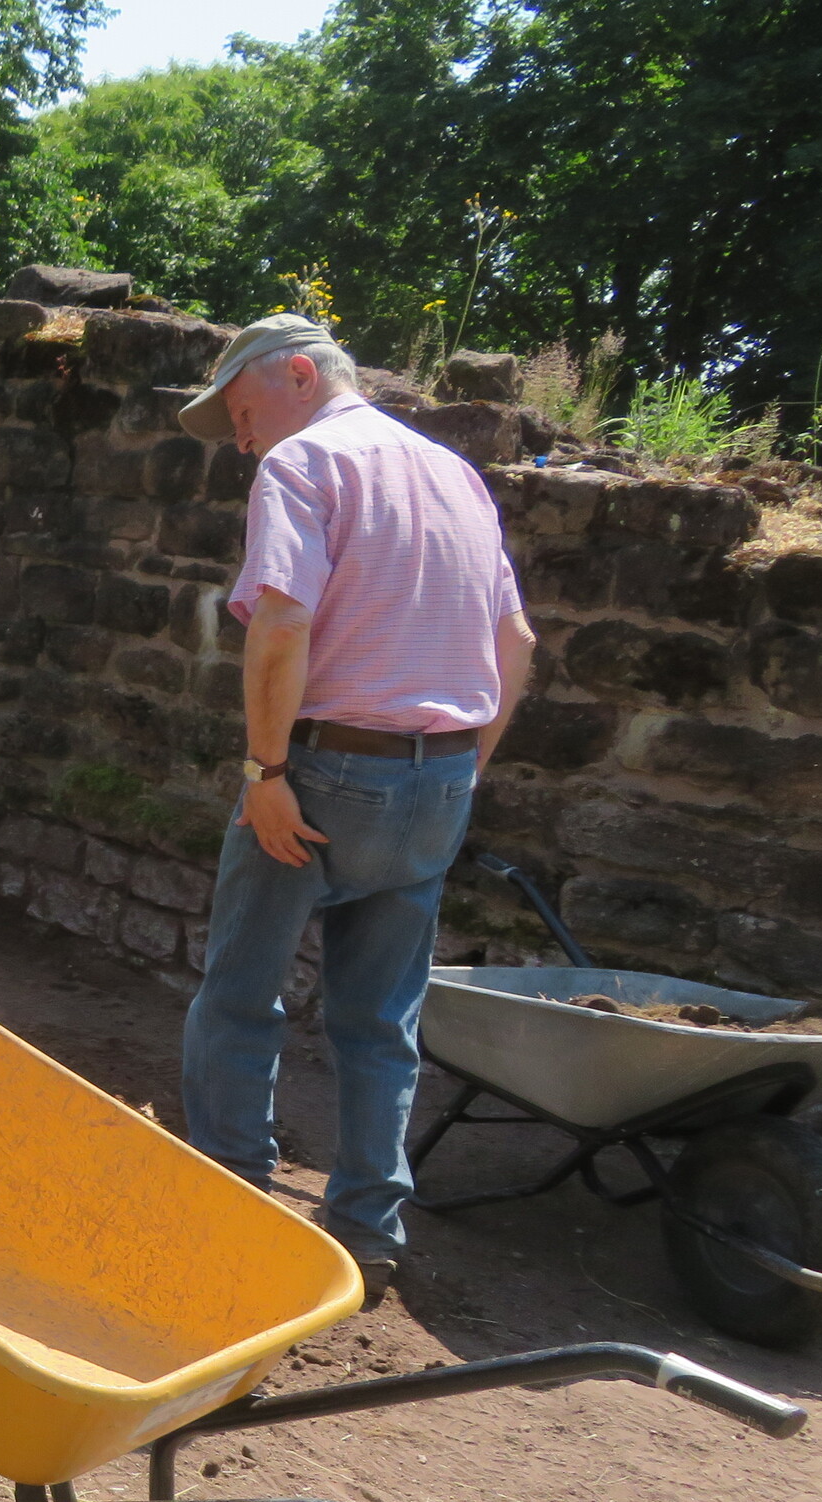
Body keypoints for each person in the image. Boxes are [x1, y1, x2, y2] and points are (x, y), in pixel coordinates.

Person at [173, 314, 536, 1292]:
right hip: (439, 778)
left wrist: (266, 774)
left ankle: (230, 1207)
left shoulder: (303, 464)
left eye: (240, 411)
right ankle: (370, 1234)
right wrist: (460, 771)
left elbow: (282, 624)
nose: (241, 439)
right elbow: (516, 646)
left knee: (240, 997)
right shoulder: (457, 476)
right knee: (380, 1022)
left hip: (323, 774)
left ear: (300, 373)